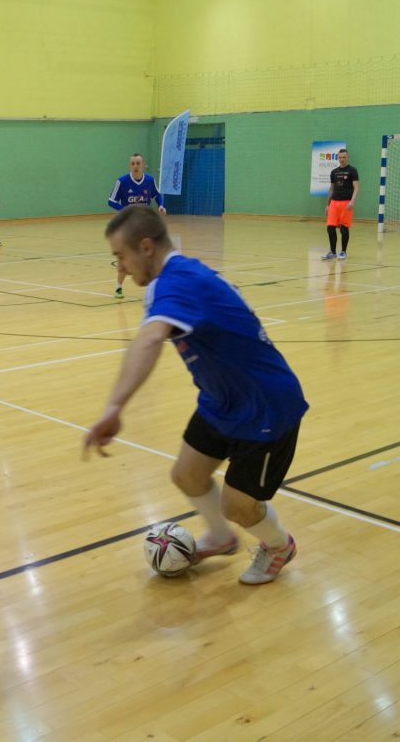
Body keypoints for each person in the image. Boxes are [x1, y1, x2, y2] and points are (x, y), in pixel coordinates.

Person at [83, 206, 308, 585]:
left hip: (266, 407)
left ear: (146, 247)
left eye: (121, 256)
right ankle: (221, 539)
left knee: (238, 505)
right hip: (221, 400)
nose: (119, 266)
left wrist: (115, 406)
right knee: (187, 475)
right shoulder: (170, 281)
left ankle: (278, 546)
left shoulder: (180, 282)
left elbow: (150, 340)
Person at [107, 153, 165, 298]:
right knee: (124, 258)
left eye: (138, 163)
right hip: (127, 226)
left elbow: (158, 195)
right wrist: (126, 210)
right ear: (130, 165)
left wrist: (161, 205)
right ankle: (119, 287)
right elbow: (111, 201)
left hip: (144, 224)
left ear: (143, 165)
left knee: (152, 256)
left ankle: (155, 288)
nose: (135, 166)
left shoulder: (149, 180)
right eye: (133, 163)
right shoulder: (122, 181)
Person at [322, 148, 359, 260]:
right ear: (338, 158)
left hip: (346, 203)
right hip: (334, 203)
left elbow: (356, 187)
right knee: (330, 228)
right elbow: (331, 189)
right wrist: (328, 204)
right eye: (340, 157)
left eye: (344, 157)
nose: (342, 159)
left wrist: (352, 201)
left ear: (347, 157)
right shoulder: (334, 172)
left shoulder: (352, 170)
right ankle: (332, 252)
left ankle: (343, 251)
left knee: (344, 229)